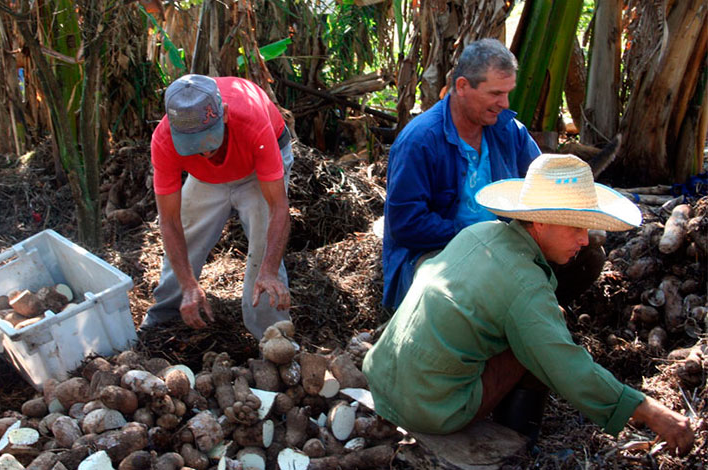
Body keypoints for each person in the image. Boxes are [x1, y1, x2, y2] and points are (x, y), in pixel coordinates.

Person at [363, 154, 695, 456]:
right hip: (430, 408)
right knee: (540, 346)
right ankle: (516, 442)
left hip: (380, 376)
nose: (584, 240)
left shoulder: (480, 232)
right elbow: (569, 370)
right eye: (575, 228)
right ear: (539, 223)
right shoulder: (525, 284)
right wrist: (652, 412)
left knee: (538, 326)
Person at [382, 38, 541, 311]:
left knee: (586, 257)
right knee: (476, 288)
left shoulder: (509, 131)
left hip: (503, 247)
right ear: (462, 86)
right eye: (495, 94)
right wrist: (478, 238)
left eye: (507, 92)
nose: (505, 103)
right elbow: (406, 224)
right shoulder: (420, 141)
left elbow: (541, 187)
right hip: (434, 253)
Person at [140, 74, 294, 340]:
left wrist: (268, 270)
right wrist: (189, 284)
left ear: (222, 114)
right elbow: (170, 221)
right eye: (193, 146)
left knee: (263, 249)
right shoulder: (164, 140)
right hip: (205, 178)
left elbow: (279, 209)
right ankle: (165, 318)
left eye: (208, 141)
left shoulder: (252, 123)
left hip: (258, 168)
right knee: (187, 235)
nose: (204, 152)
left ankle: (273, 337)